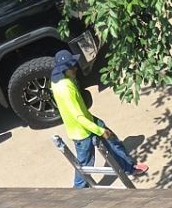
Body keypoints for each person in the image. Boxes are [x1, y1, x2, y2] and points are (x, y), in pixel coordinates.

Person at [50, 50, 146, 188]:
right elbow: (78, 117)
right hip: (82, 131)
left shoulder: (56, 79)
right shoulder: (65, 89)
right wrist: (99, 131)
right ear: (65, 69)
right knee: (84, 165)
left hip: (87, 122)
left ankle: (128, 167)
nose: (75, 68)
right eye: (72, 66)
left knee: (112, 141)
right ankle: (78, 191)